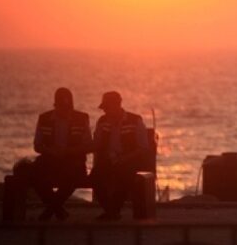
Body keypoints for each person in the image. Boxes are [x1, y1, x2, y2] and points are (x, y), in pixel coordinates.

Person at [31, 87, 91, 221]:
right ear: (55, 105)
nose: (64, 110)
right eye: (61, 107)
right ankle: (58, 210)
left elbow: (88, 145)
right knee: (34, 173)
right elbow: (37, 145)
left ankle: (51, 210)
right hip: (51, 160)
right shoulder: (44, 118)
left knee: (73, 177)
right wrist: (51, 151)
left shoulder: (82, 118)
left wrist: (69, 151)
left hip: (74, 161)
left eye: (67, 107)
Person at [90, 91, 149, 221]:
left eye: (107, 107)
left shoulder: (135, 120)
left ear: (117, 105)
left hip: (129, 161)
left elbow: (143, 147)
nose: (105, 111)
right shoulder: (103, 121)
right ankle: (111, 211)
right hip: (108, 160)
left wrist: (125, 158)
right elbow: (96, 144)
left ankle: (112, 212)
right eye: (104, 108)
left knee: (125, 176)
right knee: (94, 177)